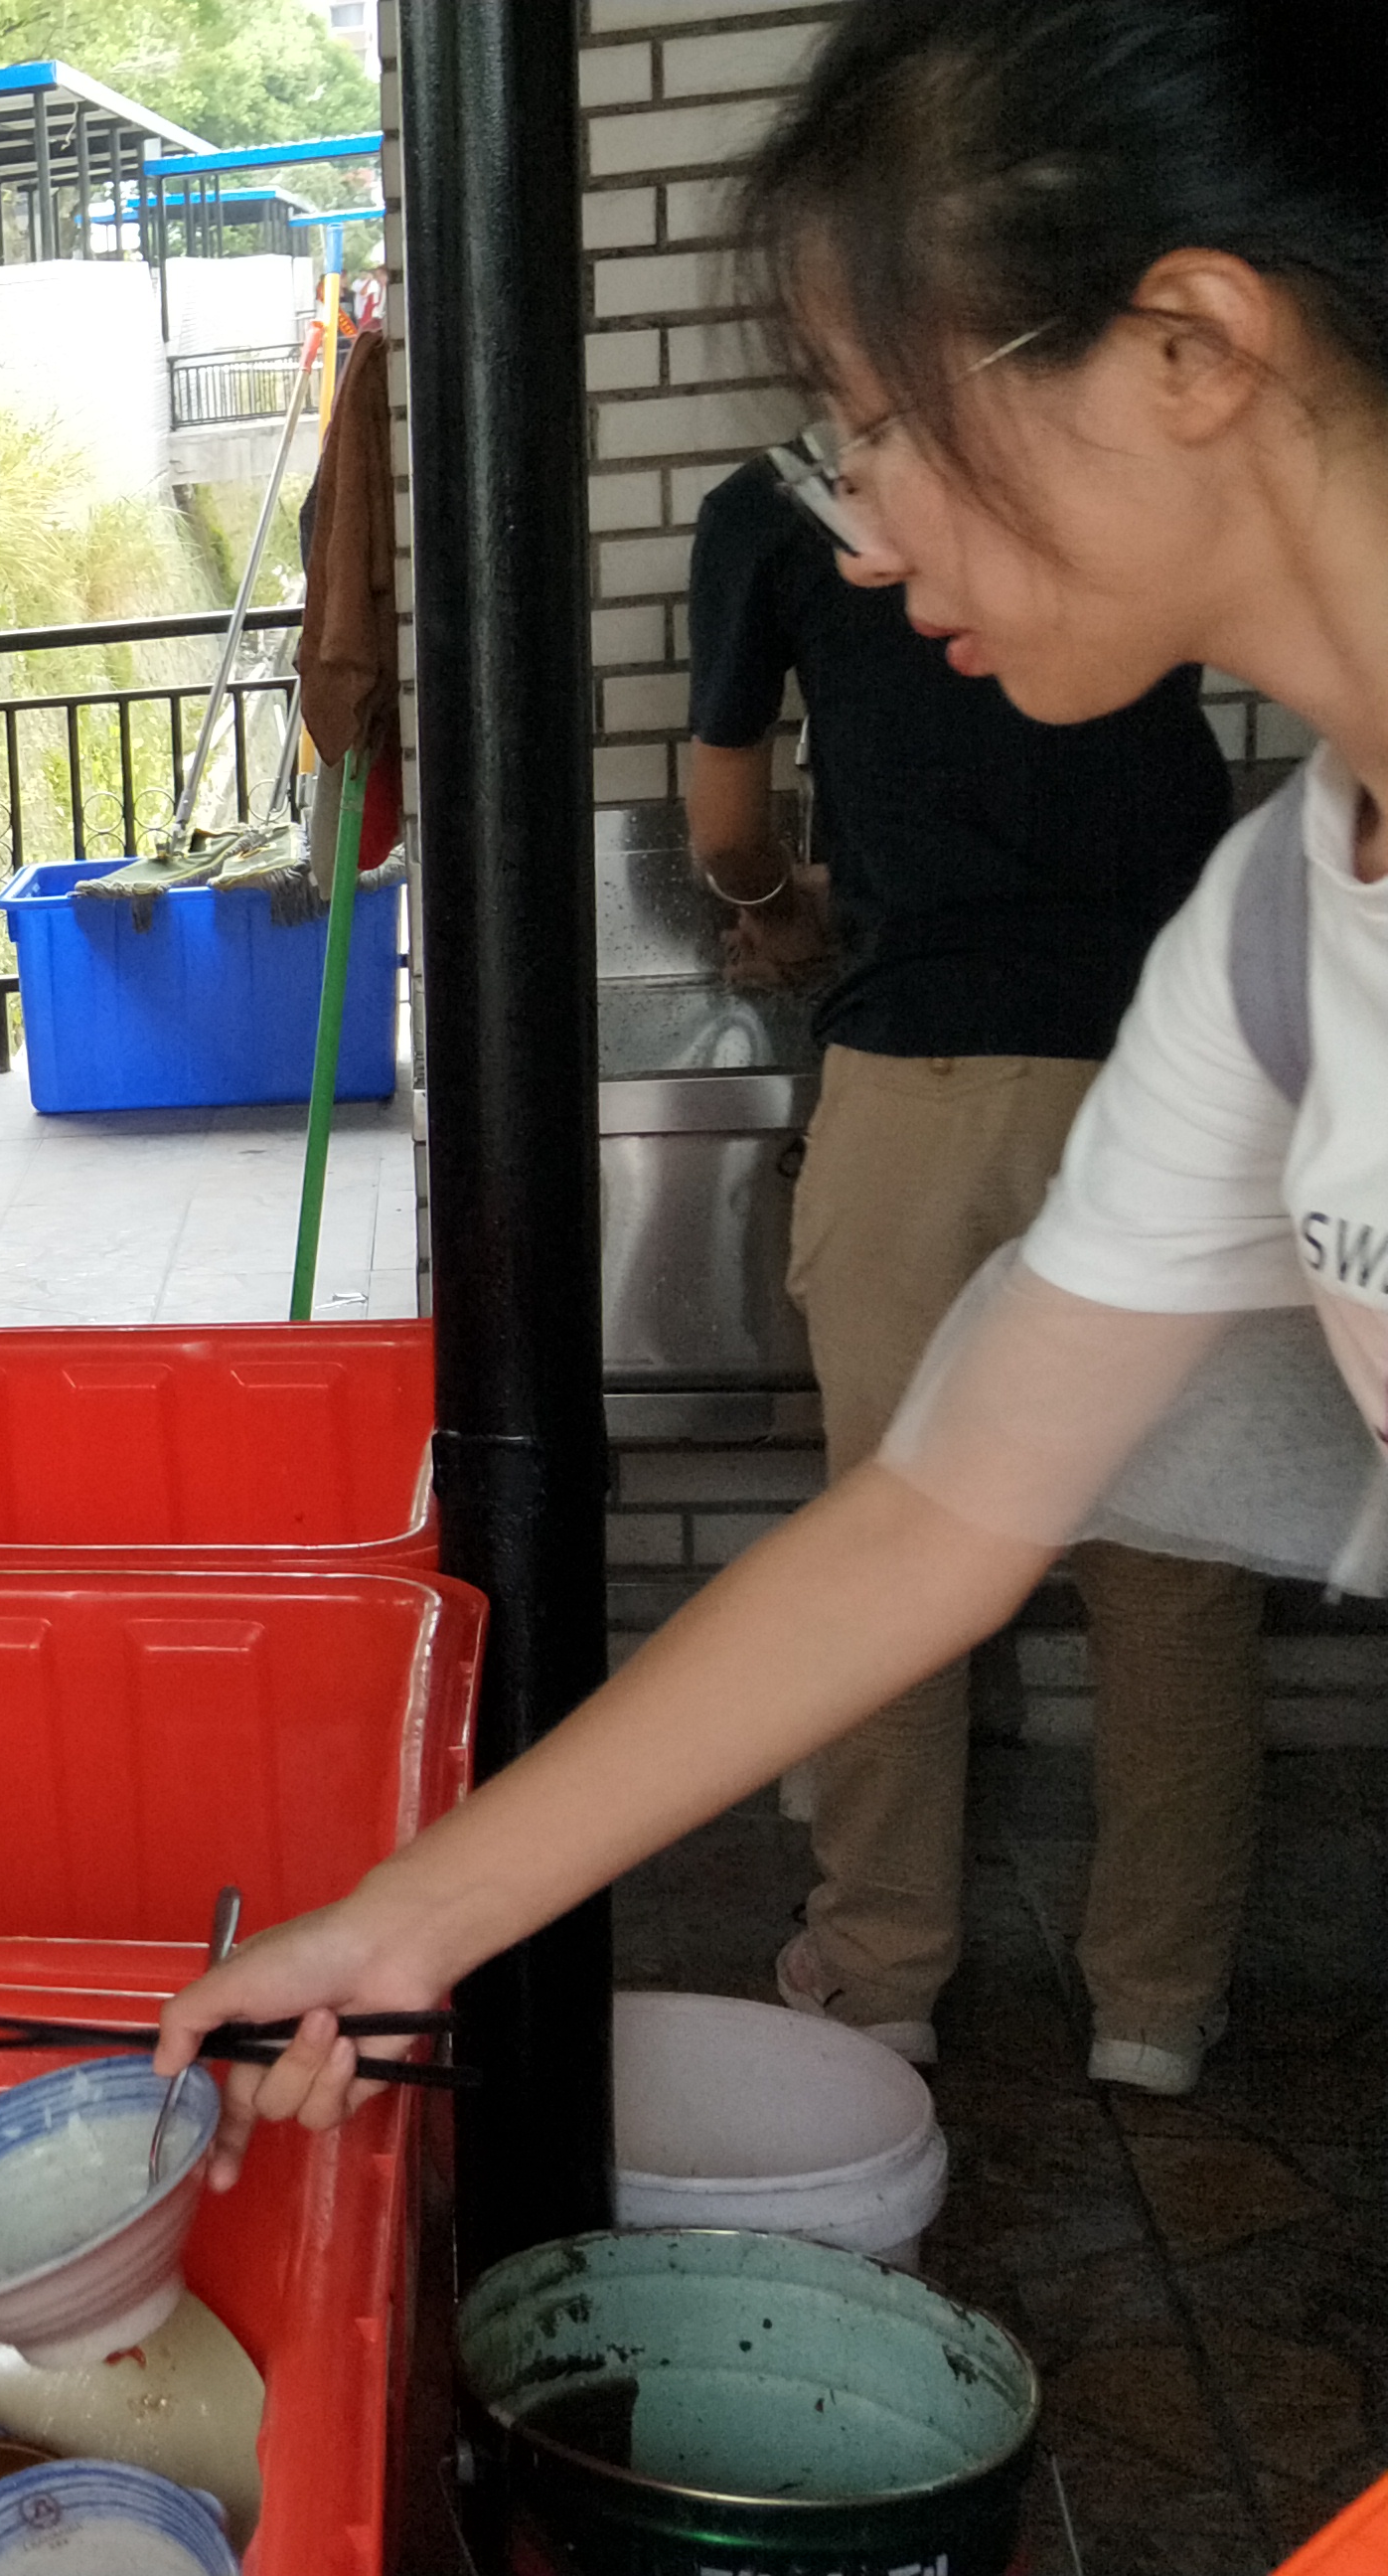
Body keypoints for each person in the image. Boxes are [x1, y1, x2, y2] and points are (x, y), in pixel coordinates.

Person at [173, 0, 1388, 2156]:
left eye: (878, 424)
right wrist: (404, 1923)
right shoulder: (1273, 934)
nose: (869, 535)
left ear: (1190, 347)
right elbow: (936, 1514)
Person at [685, 446, 1265, 2092]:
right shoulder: (1114, 447)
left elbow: (726, 825)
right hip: (1170, 1073)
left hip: (927, 1071)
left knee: (897, 1548)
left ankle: (880, 1979)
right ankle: (1154, 2006)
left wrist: (784, 909)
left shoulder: (781, 503)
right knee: (1173, 1569)